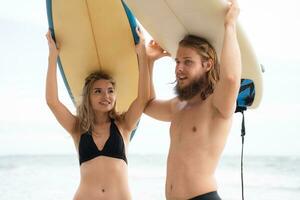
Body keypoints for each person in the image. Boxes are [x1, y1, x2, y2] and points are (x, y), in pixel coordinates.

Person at [144, 0, 241, 199]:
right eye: (177, 61)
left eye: (188, 62)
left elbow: (230, 78)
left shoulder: (217, 105)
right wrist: (149, 61)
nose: (179, 68)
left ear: (207, 64)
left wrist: (229, 26)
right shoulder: (178, 106)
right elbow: (146, 105)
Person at [45, 27, 149, 200]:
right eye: (98, 91)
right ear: (88, 97)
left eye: (110, 91)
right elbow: (52, 102)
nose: (105, 96)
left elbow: (143, 98)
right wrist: (53, 57)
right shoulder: (77, 127)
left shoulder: (124, 125)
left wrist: (143, 54)